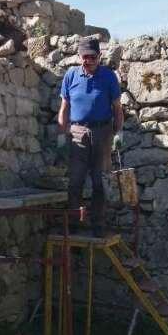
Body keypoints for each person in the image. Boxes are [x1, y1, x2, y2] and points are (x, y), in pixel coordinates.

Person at [57, 37, 123, 236]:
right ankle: (75, 225)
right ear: (79, 57)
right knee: (75, 181)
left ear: (99, 56)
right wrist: (61, 134)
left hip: (103, 132)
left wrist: (119, 133)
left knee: (99, 181)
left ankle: (98, 225)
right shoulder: (70, 75)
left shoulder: (109, 76)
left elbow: (118, 109)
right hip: (77, 132)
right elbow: (64, 108)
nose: (89, 60)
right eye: (85, 57)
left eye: (93, 57)